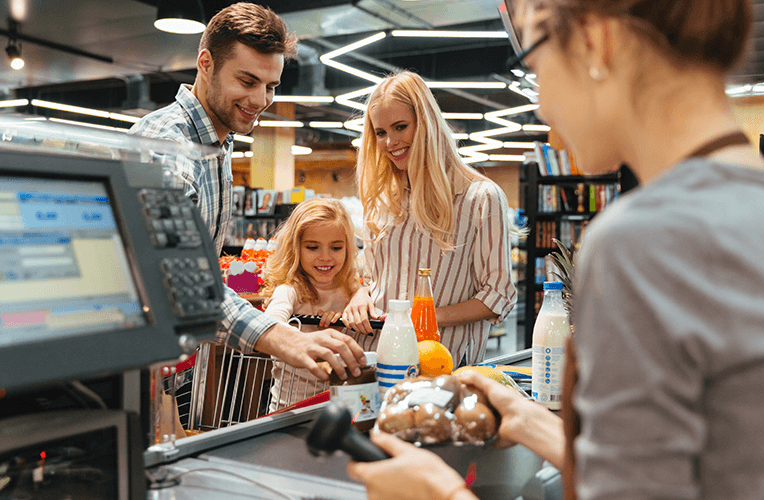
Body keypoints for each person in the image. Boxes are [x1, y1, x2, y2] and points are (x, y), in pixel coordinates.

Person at [348, 0, 764, 499]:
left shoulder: (640, 242)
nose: (542, 105)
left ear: (595, 42)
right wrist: (533, 423)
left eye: (537, 64)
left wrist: (441, 493)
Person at [129, 2, 364, 382]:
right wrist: (281, 337)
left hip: (165, 361)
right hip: (129, 364)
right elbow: (178, 278)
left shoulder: (216, 143)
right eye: (247, 81)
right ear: (206, 63)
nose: (260, 100)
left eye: (270, 86)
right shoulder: (167, 149)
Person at [342, 71, 517, 366]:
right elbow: (372, 277)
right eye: (380, 132)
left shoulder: (479, 198)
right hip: (377, 354)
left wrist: (427, 317)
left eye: (400, 127)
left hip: (440, 362)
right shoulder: (384, 200)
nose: (389, 142)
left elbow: (498, 294)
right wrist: (360, 294)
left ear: (426, 123)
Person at [260, 198, 363, 411]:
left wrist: (341, 323)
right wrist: (314, 339)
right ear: (295, 247)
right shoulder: (291, 290)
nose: (325, 257)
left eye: (336, 247)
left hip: (342, 405)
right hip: (290, 408)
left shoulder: (351, 290)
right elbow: (269, 324)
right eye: (313, 247)